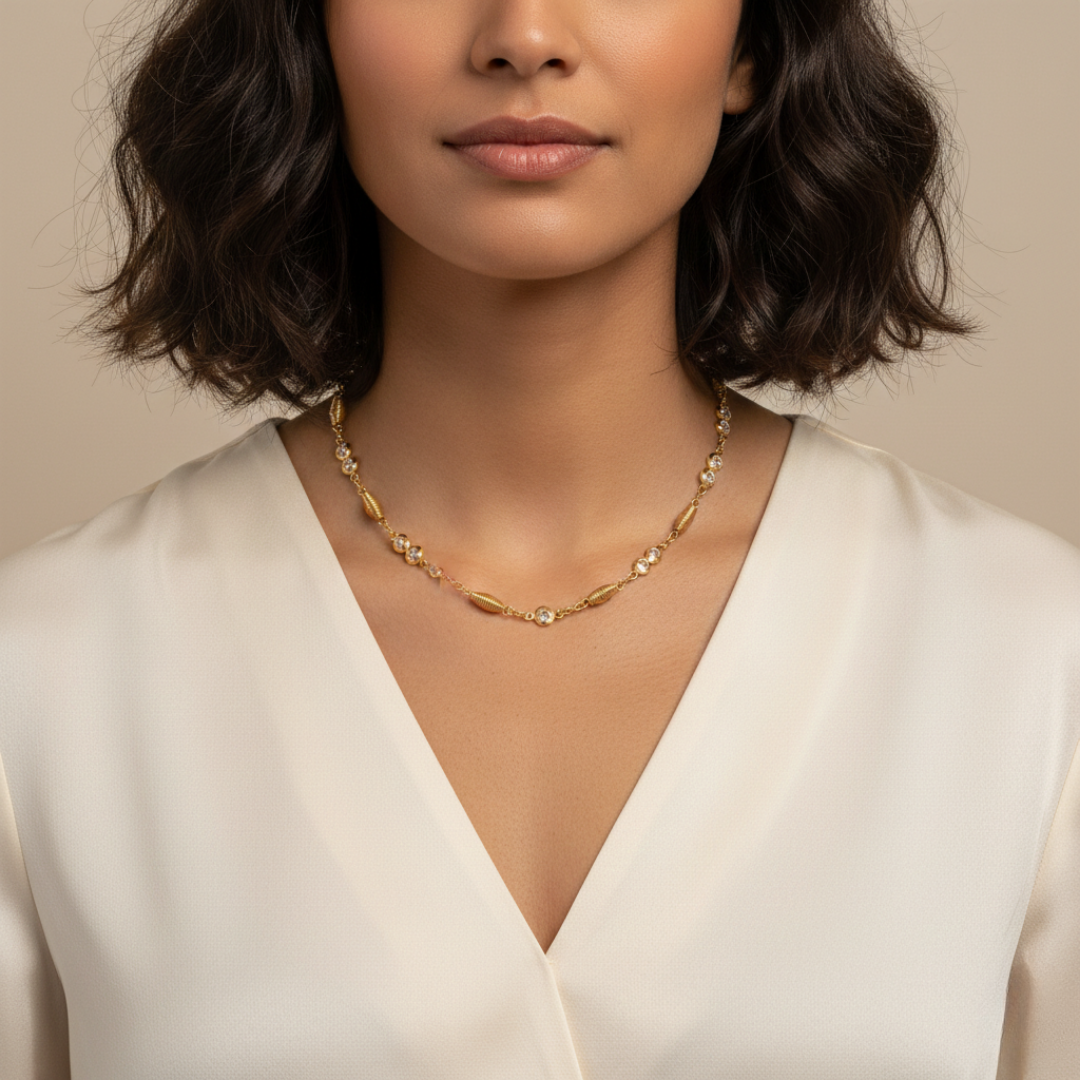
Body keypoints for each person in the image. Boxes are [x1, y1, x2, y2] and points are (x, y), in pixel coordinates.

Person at [1, 0, 1077, 1075]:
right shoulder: (47, 669)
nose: (524, 36)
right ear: (310, 32)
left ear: (751, 45)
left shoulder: (1030, 654)